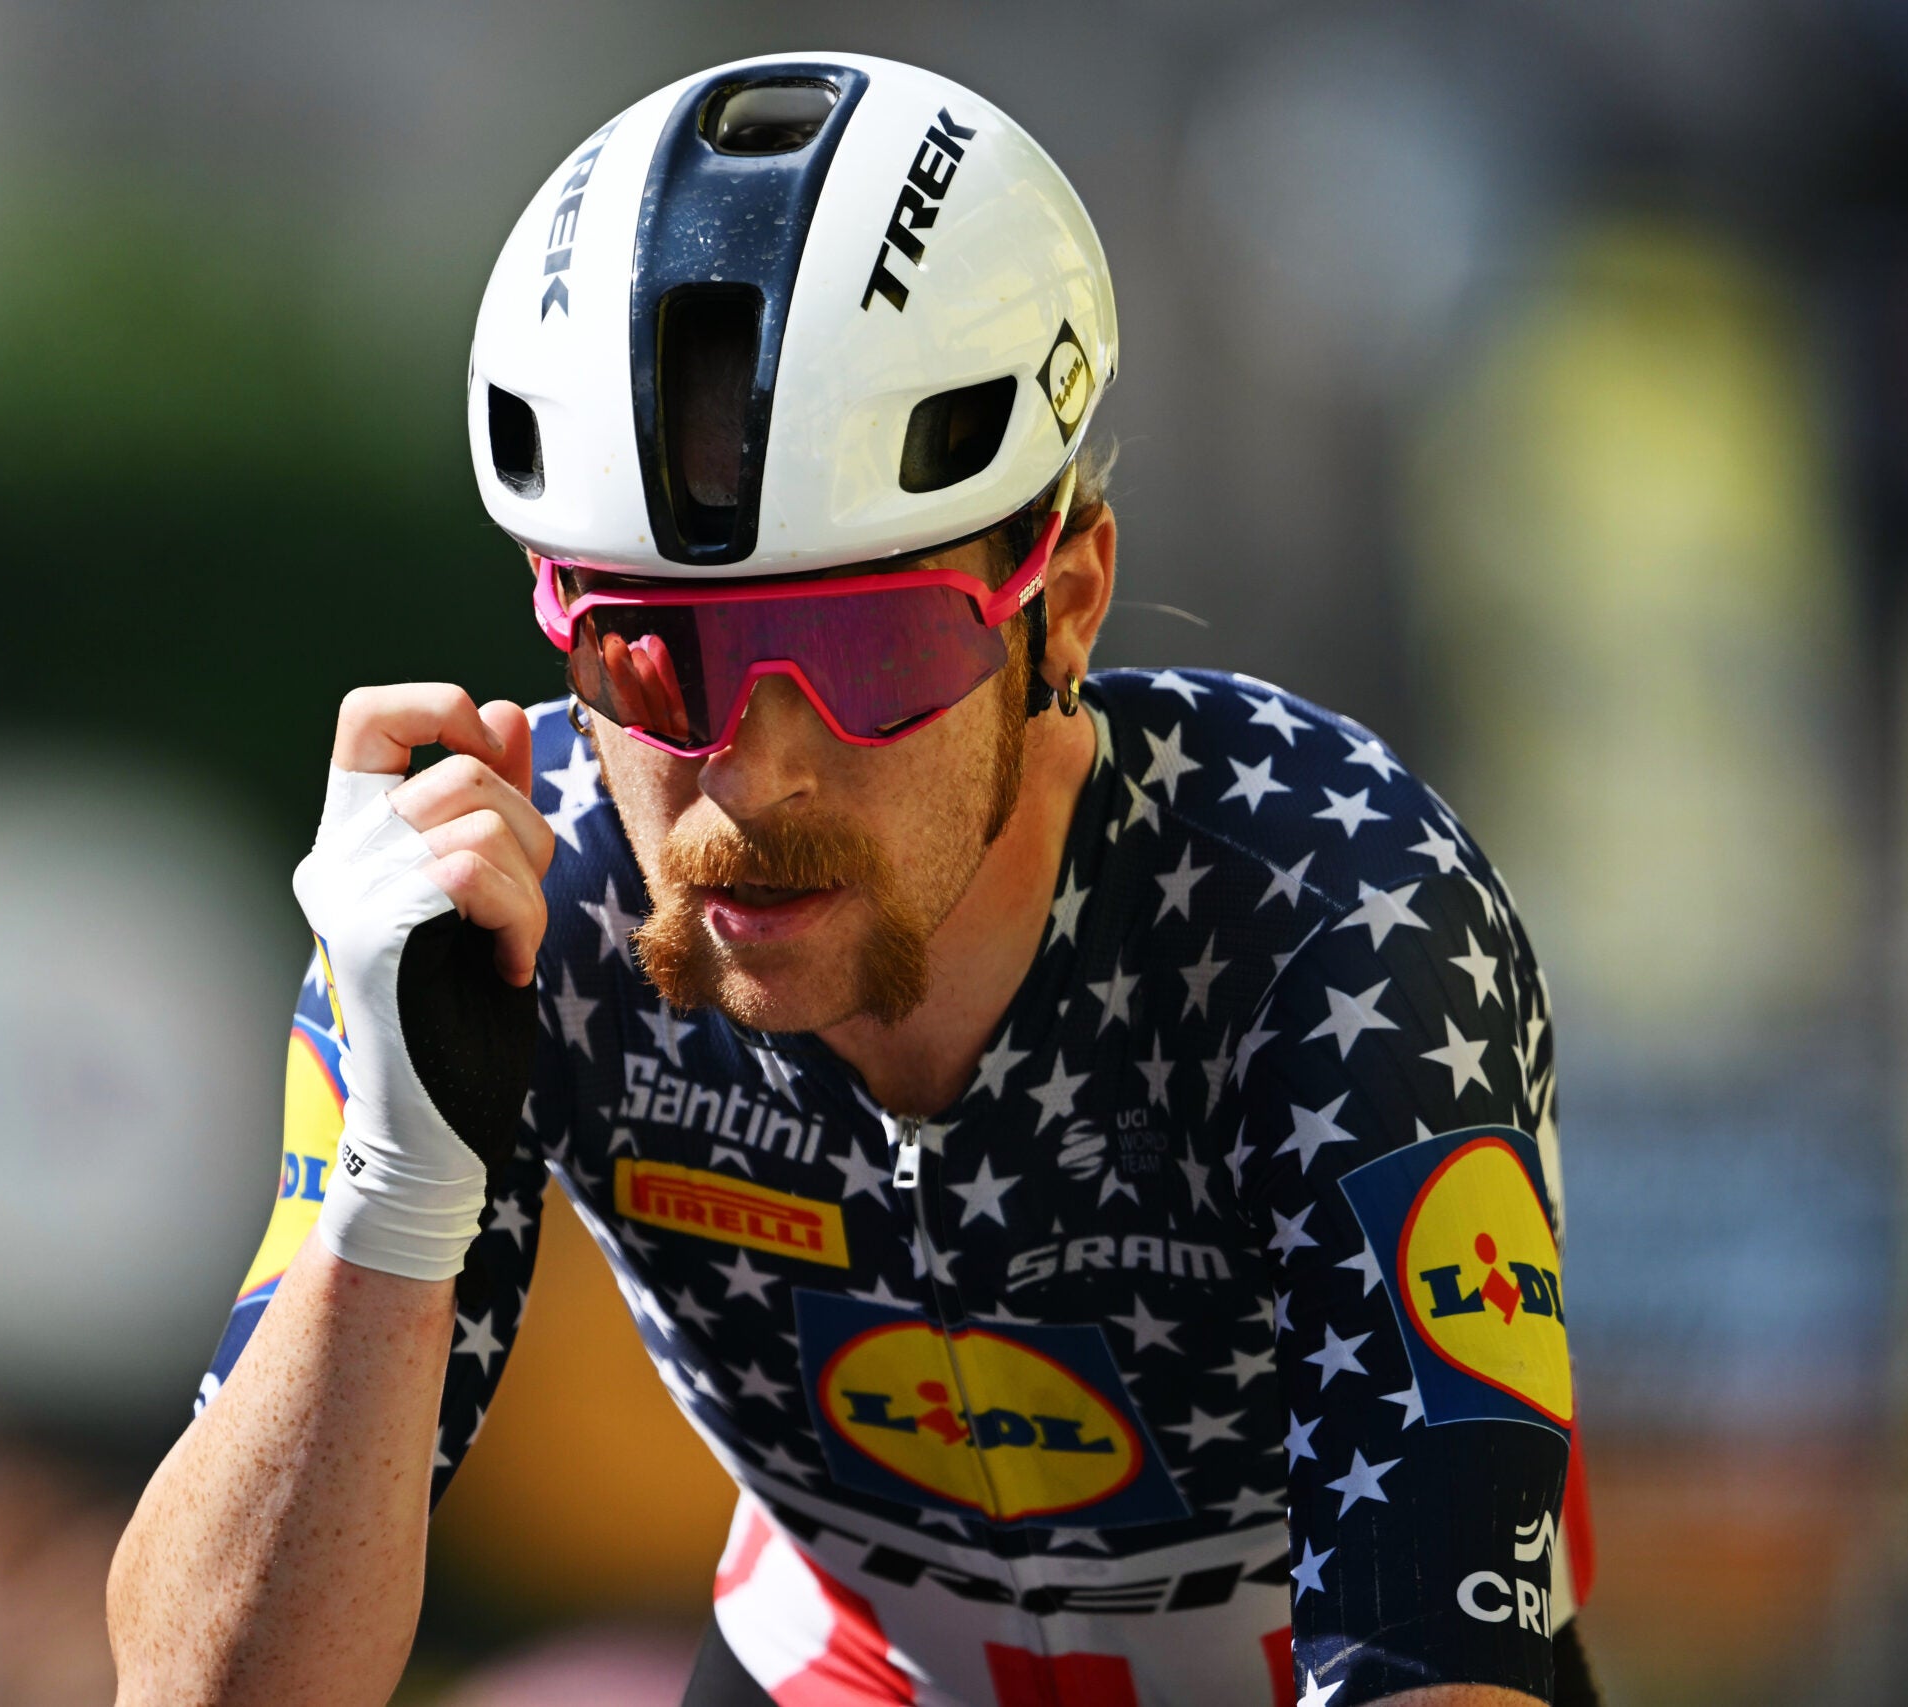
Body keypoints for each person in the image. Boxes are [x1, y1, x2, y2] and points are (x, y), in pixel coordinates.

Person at [109, 51, 1599, 1707]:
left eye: (870, 651)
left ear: (1066, 604)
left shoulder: (1327, 918)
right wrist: (394, 1190)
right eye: (655, 657)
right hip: (841, 1663)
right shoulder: (518, 906)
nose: (754, 780)